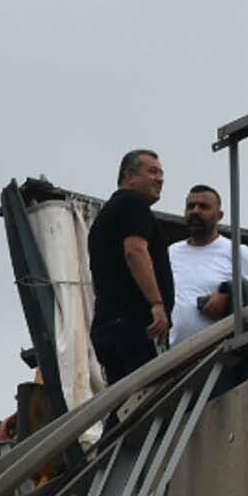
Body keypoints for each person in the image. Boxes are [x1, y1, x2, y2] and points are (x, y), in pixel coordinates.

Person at [85, 148, 171, 384]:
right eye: (152, 172)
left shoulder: (105, 217)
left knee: (123, 397)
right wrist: (157, 304)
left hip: (108, 325)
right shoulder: (133, 204)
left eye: (161, 173)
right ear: (130, 176)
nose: (160, 179)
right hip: (134, 325)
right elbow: (135, 251)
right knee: (146, 395)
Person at [168, 184, 248, 343]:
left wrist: (228, 296)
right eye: (191, 206)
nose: (195, 211)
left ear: (219, 215)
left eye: (203, 207)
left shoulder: (238, 252)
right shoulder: (171, 252)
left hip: (220, 350)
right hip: (173, 352)